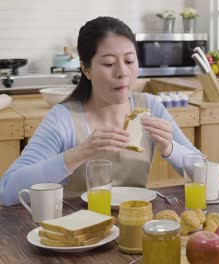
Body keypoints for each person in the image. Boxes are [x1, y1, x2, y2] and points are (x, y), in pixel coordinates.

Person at [0, 17, 200, 206]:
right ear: (86, 69)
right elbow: (7, 191)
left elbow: (203, 172)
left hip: (134, 224)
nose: (122, 72)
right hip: (76, 232)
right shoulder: (62, 118)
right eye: (109, 64)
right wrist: (80, 153)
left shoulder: (150, 107)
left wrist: (170, 148)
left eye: (129, 61)